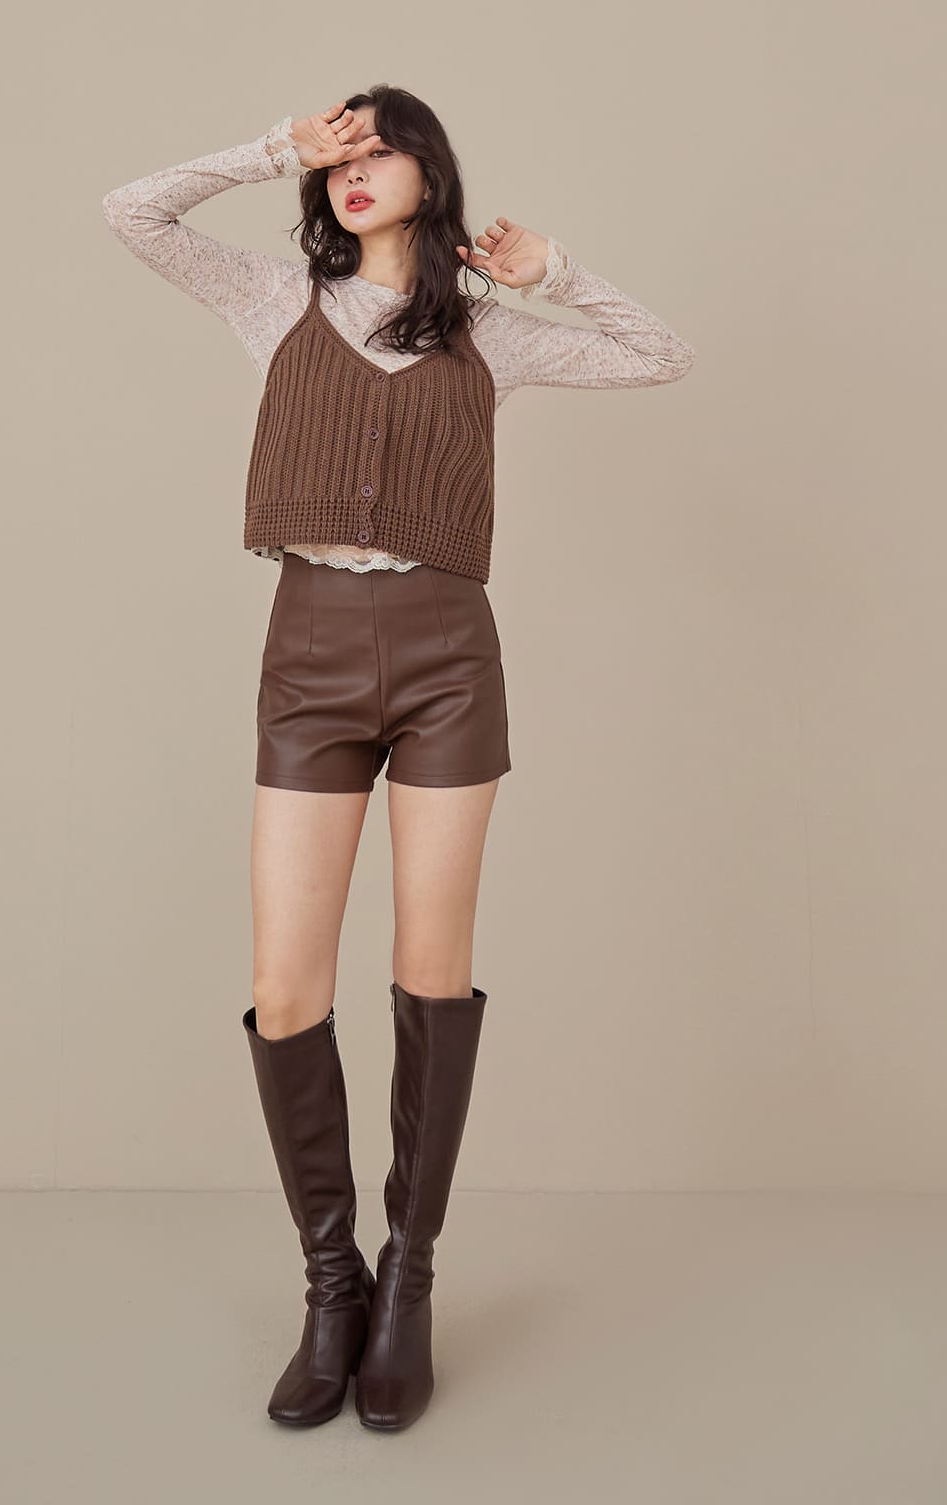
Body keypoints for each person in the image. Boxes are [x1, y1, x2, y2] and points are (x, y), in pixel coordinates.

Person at [101, 85, 696, 1432]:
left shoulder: (487, 330)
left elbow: (662, 354)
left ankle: (408, 1281)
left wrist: (557, 273)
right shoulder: (275, 301)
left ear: (432, 169)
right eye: (339, 152)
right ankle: (333, 1285)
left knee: (430, 971)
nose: (353, 168)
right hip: (309, 651)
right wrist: (272, 148)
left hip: (446, 657)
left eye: (379, 148)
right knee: (285, 985)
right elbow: (131, 213)